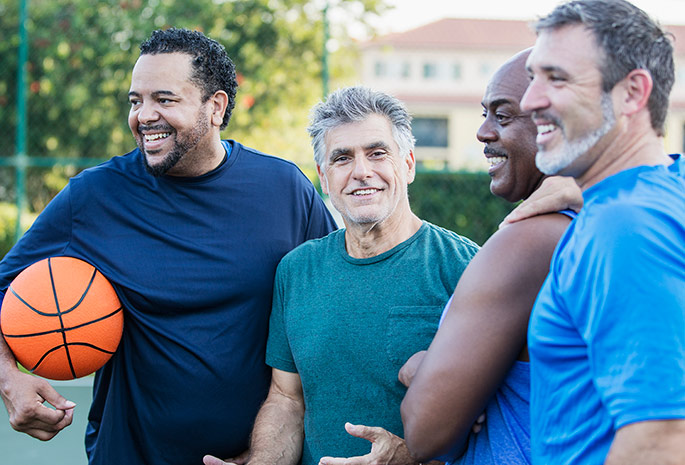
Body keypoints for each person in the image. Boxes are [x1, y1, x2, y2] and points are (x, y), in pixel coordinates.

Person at [0, 28, 337, 465]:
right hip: (126, 454)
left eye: (164, 99)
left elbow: (332, 306)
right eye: (135, 101)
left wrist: (268, 453)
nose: (144, 116)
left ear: (215, 107)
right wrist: (10, 378)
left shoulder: (283, 189)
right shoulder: (95, 196)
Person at [204, 86, 481, 465]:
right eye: (342, 158)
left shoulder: (467, 268)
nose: (361, 172)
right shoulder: (297, 271)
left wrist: (408, 457)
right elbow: (287, 399)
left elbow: (492, 416)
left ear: (409, 164)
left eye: (377, 153)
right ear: (323, 175)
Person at [520, 1, 685, 463]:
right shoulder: (660, 193)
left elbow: (663, 439)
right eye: (534, 76)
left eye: (557, 78)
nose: (531, 99)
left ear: (632, 93)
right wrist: (582, 190)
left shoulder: (624, 227)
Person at [399, 49, 574, 465]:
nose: (482, 132)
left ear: (552, 123)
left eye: (503, 115)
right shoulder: (624, 216)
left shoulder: (529, 242)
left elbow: (426, 432)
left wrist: (421, 368)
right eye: (484, 113)